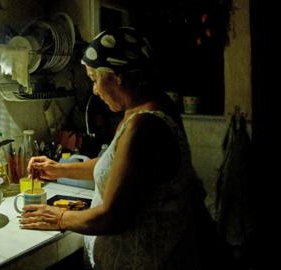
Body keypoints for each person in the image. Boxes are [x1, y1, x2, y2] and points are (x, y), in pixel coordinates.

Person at [21, 27, 232, 269]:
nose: (95, 90)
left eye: (94, 78)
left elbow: (112, 217)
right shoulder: (143, 110)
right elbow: (116, 167)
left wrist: (58, 217)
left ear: (116, 76)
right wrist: (58, 169)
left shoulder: (145, 126)